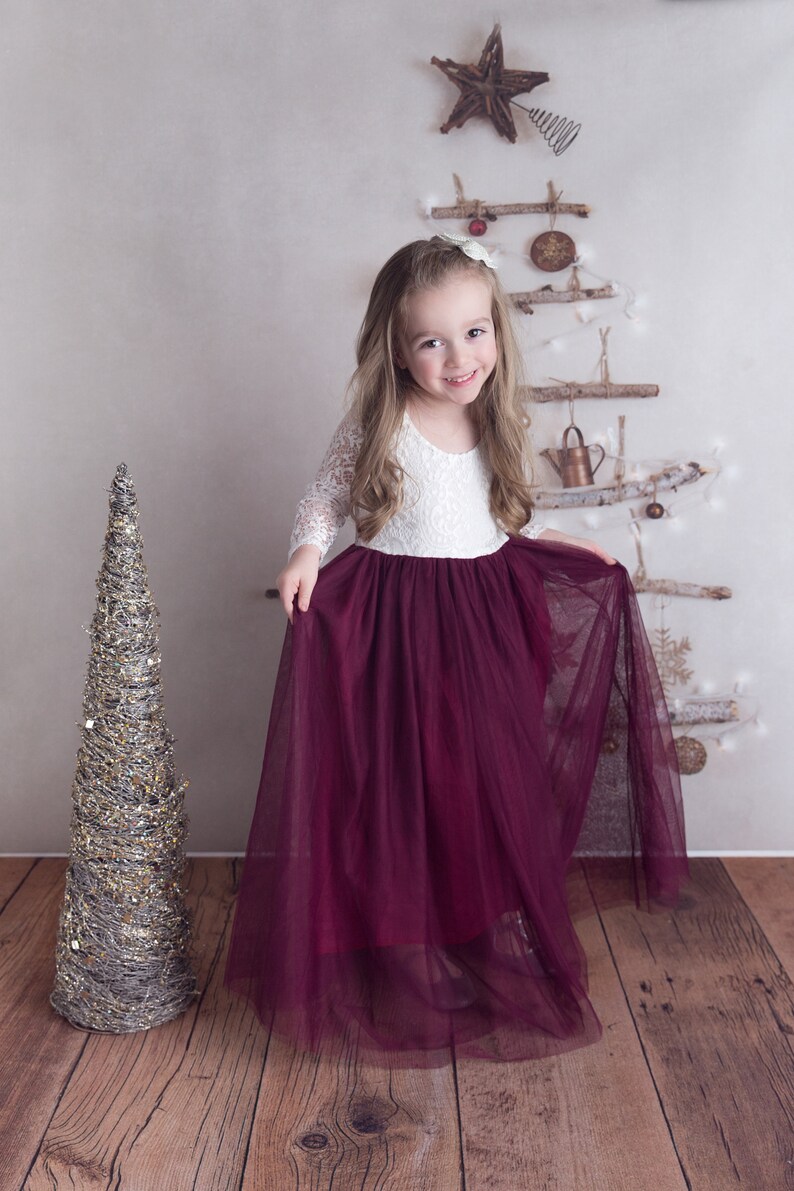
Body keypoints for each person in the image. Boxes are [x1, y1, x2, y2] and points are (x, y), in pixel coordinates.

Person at [223, 234, 690, 1067]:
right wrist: (304, 553)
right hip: (393, 625)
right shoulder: (383, 419)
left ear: (498, 332)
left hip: (481, 623)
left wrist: (571, 548)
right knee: (394, 787)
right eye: (432, 341)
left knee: (473, 783)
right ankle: (402, 942)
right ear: (397, 352)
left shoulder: (494, 416)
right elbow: (325, 494)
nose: (459, 356)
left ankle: (471, 926)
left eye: (475, 332)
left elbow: (503, 518)